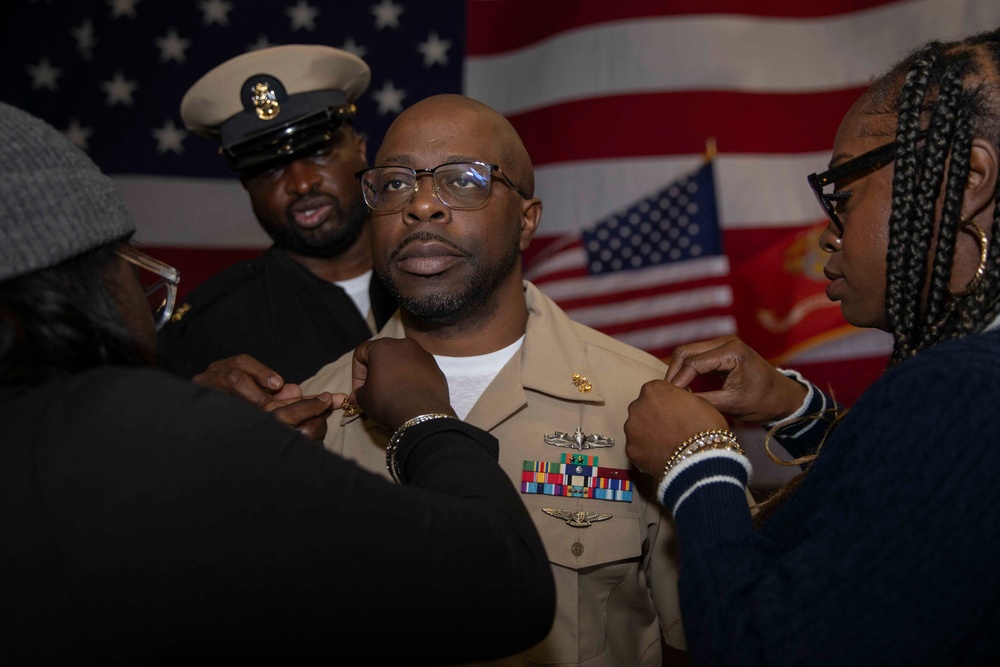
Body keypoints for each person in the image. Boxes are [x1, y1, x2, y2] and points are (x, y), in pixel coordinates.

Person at [0, 101, 555, 664]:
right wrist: (423, 417)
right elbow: (502, 580)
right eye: (133, 267)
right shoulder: (172, 423)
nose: (426, 207)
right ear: (93, 287)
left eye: (461, 182)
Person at [623, 28, 1000, 666]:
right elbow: (914, 515)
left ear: (965, 177)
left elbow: (767, 648)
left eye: (844, 196)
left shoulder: (962, 388)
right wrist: (797, 412)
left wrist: (697, 466)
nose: (827, 235)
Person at [301, 94, 695, 666]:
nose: (423, 206)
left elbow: (698, 636)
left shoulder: (641, 401)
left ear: (527, 221)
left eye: (464, 181)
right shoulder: (314, 416)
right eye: (394, 184)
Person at [157, 44, 396, 386]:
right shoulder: (207, 331)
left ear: (359, 149)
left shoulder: (444, 270)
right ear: (245, 185)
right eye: (269, 170)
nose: (300, 184)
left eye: (318, 154)